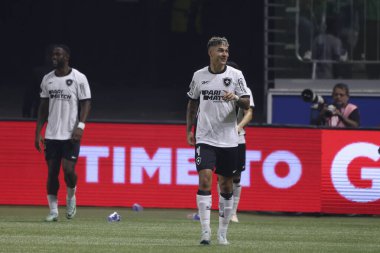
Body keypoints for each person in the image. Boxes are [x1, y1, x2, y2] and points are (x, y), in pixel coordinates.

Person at [186, 37, 250, 245]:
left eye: (227, 51)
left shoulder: (236, 75)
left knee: (225, 184)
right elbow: (192, 104)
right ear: (211, 53)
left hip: (229, 139)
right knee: (204, 179)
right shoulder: (199, 76)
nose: (225, 54)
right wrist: (189, 129)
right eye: (221, 50)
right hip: (205, 137)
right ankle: (205, 232)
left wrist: (236, 98)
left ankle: (222, 233)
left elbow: (247, 103)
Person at [34, 44, 91, 222]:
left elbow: (86, 103)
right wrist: (38, 132)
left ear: (67, 57)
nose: (54, 57)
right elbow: (43, 107)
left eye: (58, 54)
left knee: (68, 171)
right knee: (52, 173)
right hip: (52, 135)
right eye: (53, 54)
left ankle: (71, 197)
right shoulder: (47, 79)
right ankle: (53, 211)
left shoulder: (79, 78)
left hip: (70, 134)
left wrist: (80, 126)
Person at [217, 61, 255, 223]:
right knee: (222, 175)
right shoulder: (215, 88)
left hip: (238, 138)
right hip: (218, 138)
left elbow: (249, 112)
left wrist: (238, 127)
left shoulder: (245, 91)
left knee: (237, 176)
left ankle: (233, 212)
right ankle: (221, 210)